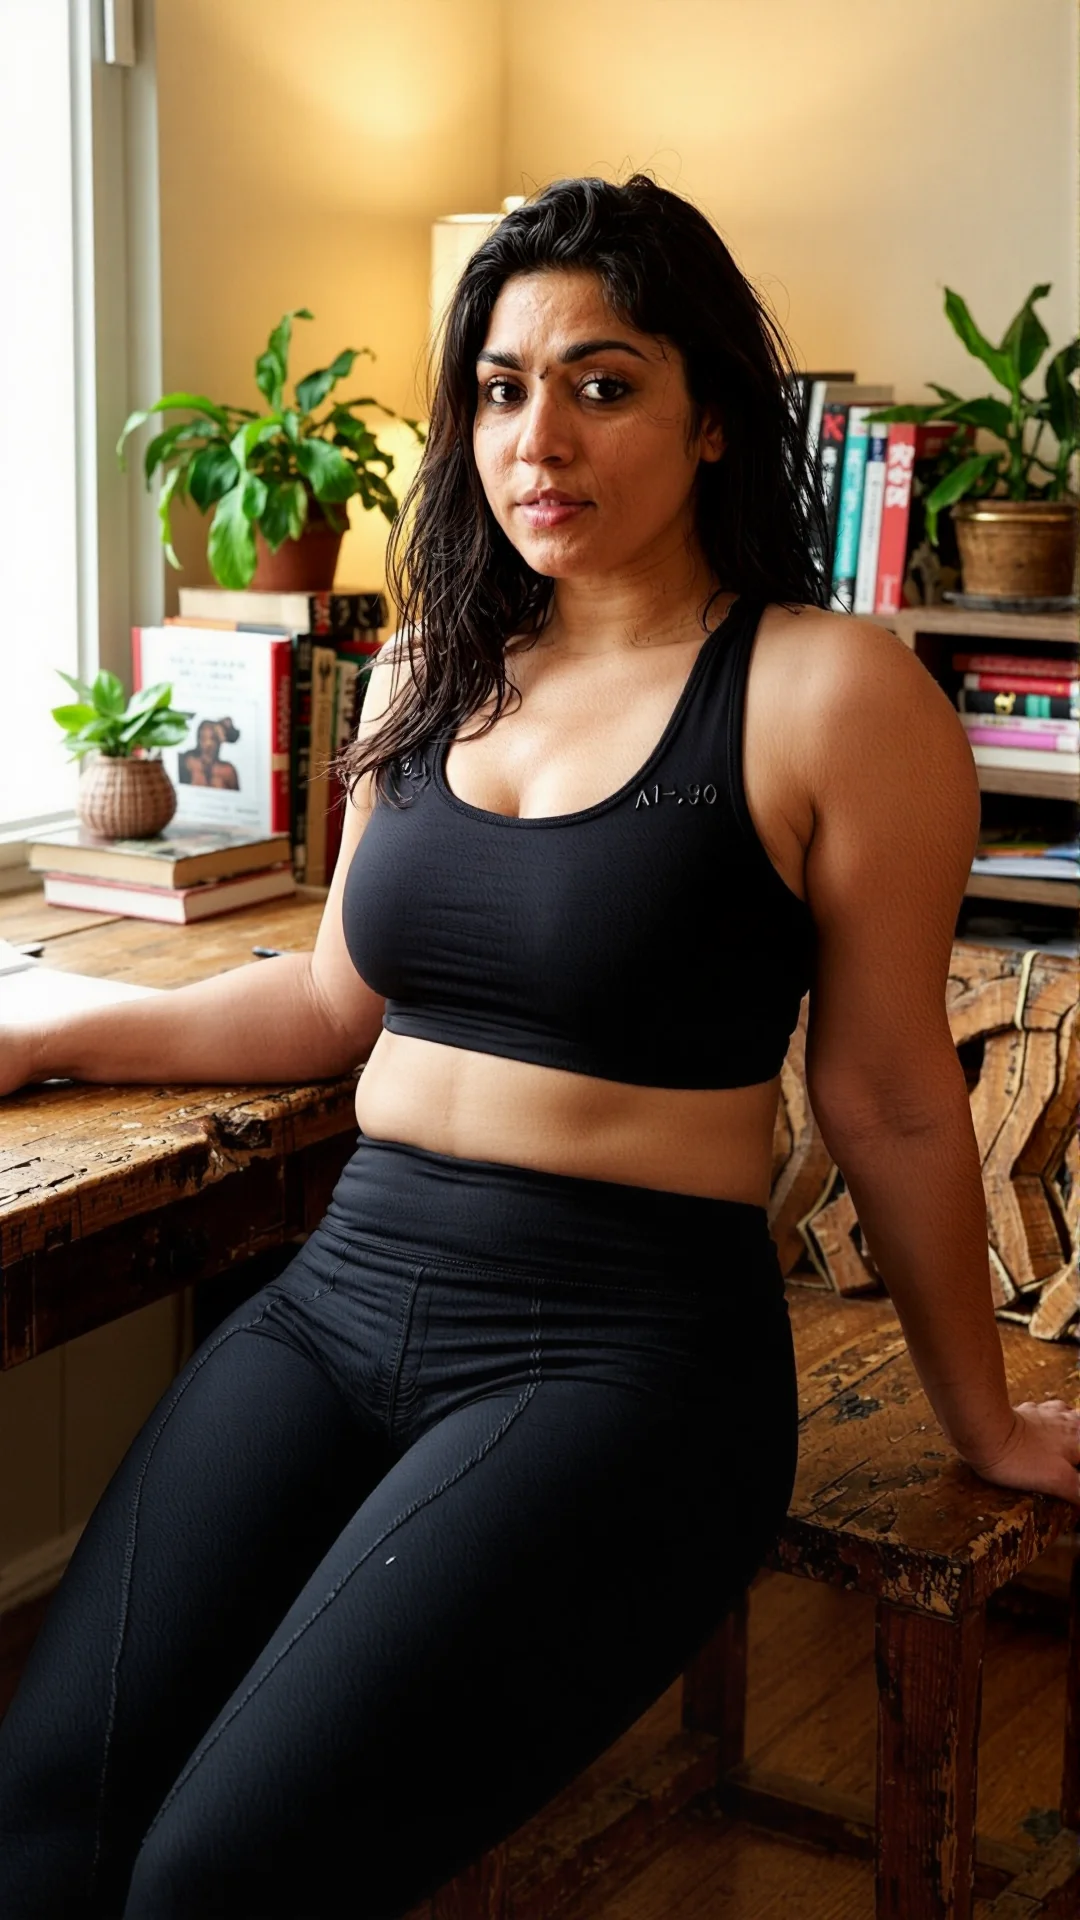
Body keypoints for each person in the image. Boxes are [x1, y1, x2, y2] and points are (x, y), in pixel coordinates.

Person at [1, 174, 1077, 1920]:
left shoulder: (831, 693)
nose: (538, 438)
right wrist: (49, 1034)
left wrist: (981, 1416)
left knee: (215, 1882)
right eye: (501, 389)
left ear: (712, 418)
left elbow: (887, 1094)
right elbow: (333, 1006)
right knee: (45, 1821)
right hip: (342, 1301)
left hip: (622, 1354)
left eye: (603, 383)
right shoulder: (428, 666)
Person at [178, 717, 241, 790]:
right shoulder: (188, 762)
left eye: (213, 738)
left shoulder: (228, 771)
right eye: (203, 738)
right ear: (199, 738)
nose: (208, 744)